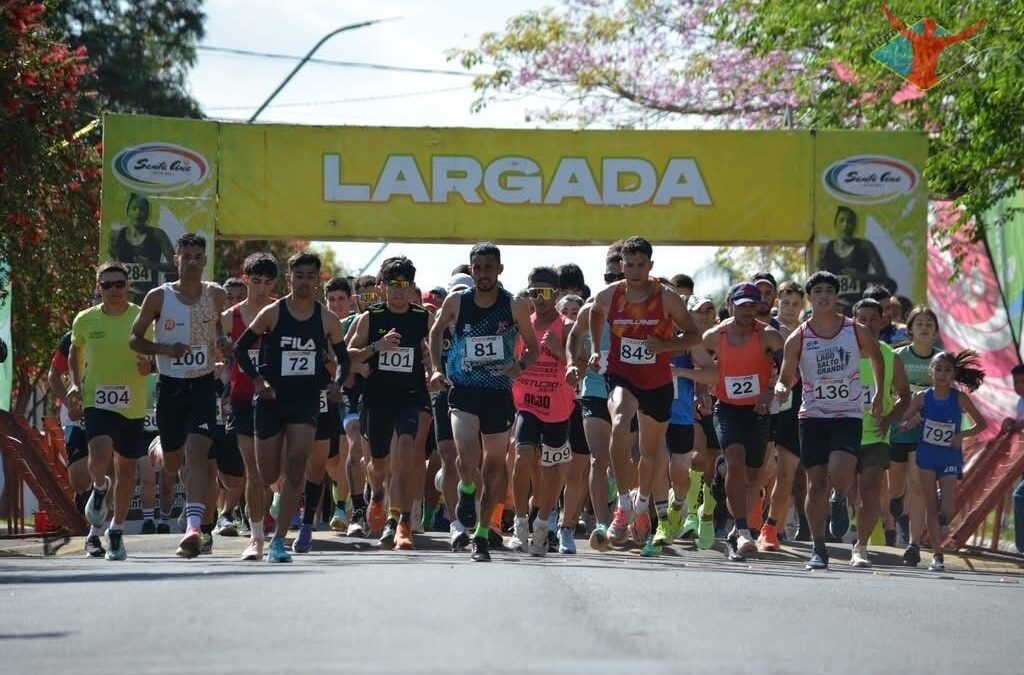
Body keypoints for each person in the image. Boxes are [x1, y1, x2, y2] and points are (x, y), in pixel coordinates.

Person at [233, 251, 350, 563]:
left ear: (318, 280)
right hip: (271, 401)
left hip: (306, 401)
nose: (305, 282)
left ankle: (278, 542)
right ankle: (273, 502)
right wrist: (258, 381)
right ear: (290, 279)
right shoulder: (273, 313)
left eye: (311, 276)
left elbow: (344, 358)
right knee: (268, 472)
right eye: (299, 276)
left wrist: (337, 382)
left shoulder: (327, 319)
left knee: (297, 466)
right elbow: (241, 347)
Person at [428, 242, 539, 562]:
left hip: (498, 394)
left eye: (489, 268)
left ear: (500, 270)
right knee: (466, 456)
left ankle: (480, 536)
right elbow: (435, 333)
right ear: (471, 268)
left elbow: (532, 347)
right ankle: (465, 489)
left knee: (493, 467)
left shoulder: (514, 304)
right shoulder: (457, 301)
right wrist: (436, 369)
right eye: (477, 268)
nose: (482, 274)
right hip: (463, 390)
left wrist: (519, 367)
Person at [588, 236, 700, 548]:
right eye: (629, 265)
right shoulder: (610, 294)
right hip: (622, 375)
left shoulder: (667, 298)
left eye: (641, 264)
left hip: (657, 382)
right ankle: (623, 505)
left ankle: (642, 507)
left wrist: (665, 345)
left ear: (650, 265)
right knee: (620, 421)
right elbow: (595, 314)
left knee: (650, 455)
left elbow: (693, 335)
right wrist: (596, 349)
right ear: (621, 266)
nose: (635, 270)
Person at [130, 232, 232, 558]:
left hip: (202, 384)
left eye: (196, 256)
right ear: (176, 259)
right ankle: (160, 446)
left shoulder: (215, 295)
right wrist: (164, 349)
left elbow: (218, 329)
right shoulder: (159, 297)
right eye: (185, 255)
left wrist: (222, 342)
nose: (190, 261)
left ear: (204, 260)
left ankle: (193, 528)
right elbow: (135, 339)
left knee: (198, 452)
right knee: (173, 463)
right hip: (171, 386)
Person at [776, 271, 885, 571]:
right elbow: (786, 374)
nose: (823, 295)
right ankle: (819, 548)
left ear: (836, 296)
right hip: (812, 415)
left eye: (829, 290)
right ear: (810, 297)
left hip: (847, 414)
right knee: (815, 484)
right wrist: (781, 386)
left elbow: (876, 358)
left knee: (840, 471)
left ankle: (840, 496)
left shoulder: (854, 330)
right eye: (818, 291)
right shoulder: (799, 336)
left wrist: (877, 393)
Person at [66, 262, 153, 561]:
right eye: (107, 285)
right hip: (98, 399)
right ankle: (100, 488)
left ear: (128, 285)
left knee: (127, 472)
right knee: (100, 457)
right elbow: (74, 352)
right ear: (98, 288)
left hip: (133, 403)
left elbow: (157, 352)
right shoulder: (85, 320)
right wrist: (75, 385)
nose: (114, 289)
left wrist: (150, 365)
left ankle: (115, 530)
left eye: (119, 284)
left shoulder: (142, 316)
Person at [347, 256, 431, 551]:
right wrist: (375, 348)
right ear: (382, 287)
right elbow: (349, 354)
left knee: (407, 452)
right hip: (377, 398)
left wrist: (432, 365)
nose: (398, 291)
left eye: (404, 285)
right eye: (392, 285)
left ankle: (404, 523)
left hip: (410, 396)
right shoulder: (370, 317)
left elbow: (432, 354)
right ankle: (377, 494)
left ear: (410, 287)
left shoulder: (423, 317)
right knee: (378, 464)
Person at [703, 282, 784, 560]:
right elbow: (700, 364)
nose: (749, 311)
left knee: (753, 476)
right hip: (726, 408)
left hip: (758, 413)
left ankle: (722, 475)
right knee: (736, 460)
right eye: (742, 305)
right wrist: (702, 392)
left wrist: (771, 389)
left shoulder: (770, 336)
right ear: (730, 306)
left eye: (753, 305)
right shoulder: (715, 336)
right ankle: (741, 529)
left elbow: (789, 368)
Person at [506, 267, 577, 556]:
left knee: (550, 470)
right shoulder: (524, 324)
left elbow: (580, 365)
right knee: (521, 455)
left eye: (546, 292)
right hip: (528, 402)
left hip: (559, 409)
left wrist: (559, 351)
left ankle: (543, 523)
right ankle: (520, 522)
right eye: (534, 293)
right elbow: (512, 360)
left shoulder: (568, 326)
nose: (540, 298)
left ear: (557, 294)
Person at [897, 350, 987, 571]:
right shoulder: (922, 397)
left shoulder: (960, 398)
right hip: (927, 455)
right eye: (938, 369)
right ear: (931, 371)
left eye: (947, 370)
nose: (942, 374)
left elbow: (981, 424)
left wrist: (961, 435)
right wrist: (912, 421)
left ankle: (940, 504)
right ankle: (938, 555)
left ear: (954, 373)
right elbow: (901, 423)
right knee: (929, 506)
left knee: (945, 510)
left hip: (949, 456)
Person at [221, 253, 278, 560]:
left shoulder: (282, 312)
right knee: (253, 473)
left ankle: (272, 509)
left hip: (278, 401)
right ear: (245, 281)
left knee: (273, 474)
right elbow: (211, 349)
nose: (260, 288)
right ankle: (255, 536)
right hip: (243, 401)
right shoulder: (231, 317)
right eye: (255, 281)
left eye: (267, 283)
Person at [849, 298, 911, 568]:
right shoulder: (841, 353)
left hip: (876, 434)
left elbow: (905, 396)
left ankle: (860, 547)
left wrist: (889, 419)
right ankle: (841, 505)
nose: (867, 324)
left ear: (883, 321)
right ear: (852, 320)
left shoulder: (889, 355)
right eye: (861, 318)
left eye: (873, 319)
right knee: (845, 486)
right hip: (843, 430)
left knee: (872, 489)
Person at [890, 305, 941, 566]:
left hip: (927, 432)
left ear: (935, 331)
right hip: (898, 430)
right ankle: (896, 503)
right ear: (910, 329)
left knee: (919, 485)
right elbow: (888, 392)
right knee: (896, 486)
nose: (924, 328)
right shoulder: (897, 356)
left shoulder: (942, 360)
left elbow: (947, 396)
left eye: (929, 324)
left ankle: (913, 544)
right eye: (919, 324)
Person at [881, 3, 987, 91]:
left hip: (930, 80)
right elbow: (899, 27)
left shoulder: (938, 42)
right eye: (928, 28)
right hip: (916, 79)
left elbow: (960, 36)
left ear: (934, 30)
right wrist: (887, 11)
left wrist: (979, 25)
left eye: (932, 29)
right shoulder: (918, 39)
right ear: (925, 29)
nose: (930, 31)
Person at [323, 276, 356, 533]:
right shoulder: (318, 323)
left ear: (351, 300)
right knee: (328, 461)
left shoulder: (356, 323)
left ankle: (342, 509)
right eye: (331, 300)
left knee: (347, 449)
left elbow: (352, 366)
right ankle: (344, 494)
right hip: (320, 395)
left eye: (341, 299)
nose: (336, 304)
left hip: (348, 395)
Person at [817, 206, 893, 314]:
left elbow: (882, 276)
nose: (845, 225)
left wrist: (861, 276)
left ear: (855, 226)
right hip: (834, 308)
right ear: (835, 224)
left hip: (858, 307)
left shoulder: (864, 246)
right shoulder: (824, 249)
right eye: (842, 220)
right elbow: (817, 280)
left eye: (850, 221)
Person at [109, 193, 178, 304]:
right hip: (123, 297)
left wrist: (152, 265)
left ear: (147, 214)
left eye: (142, 209)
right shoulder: (117, 236)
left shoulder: (157, 234)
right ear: (128, 211)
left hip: (149, 298)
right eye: (134, 208)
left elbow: (176, 265)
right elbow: (108, 266)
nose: (138, 213)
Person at [1009, 364, 1024, 554]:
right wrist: (1011, 422)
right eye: (1016, 382)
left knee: (1019, 496)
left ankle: (1022, 546)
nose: (1019, 385)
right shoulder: (1020, 401)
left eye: (1023, 381)